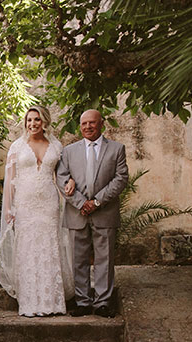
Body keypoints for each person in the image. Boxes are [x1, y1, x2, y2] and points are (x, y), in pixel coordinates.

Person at [0, 105, 73, 317]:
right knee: (28, 248)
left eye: (37, 120)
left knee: (49, 246)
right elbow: (10, 180)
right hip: (25, 203)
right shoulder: (17, 147)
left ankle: (52, 302)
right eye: (29, 120)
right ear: (25, 123)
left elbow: (64, 174)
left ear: (45, 122)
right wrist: (9, 209)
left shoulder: (56, 146)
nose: (33, 124)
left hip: (49, 202)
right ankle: (30, 302)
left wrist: (71, 182)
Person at [56, 109, 128, 317]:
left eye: (92, 123)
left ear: (101, 124)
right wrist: (81, 203)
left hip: (105, 212)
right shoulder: (68, 151)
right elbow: (62, 179)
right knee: (78, 259)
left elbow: (120, 178)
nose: (88, 127)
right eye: (84, 123)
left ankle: (103, 303)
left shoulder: (117, 149)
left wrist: (96, 202)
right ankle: (83, 301)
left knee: (104, 259)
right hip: (77, 213)